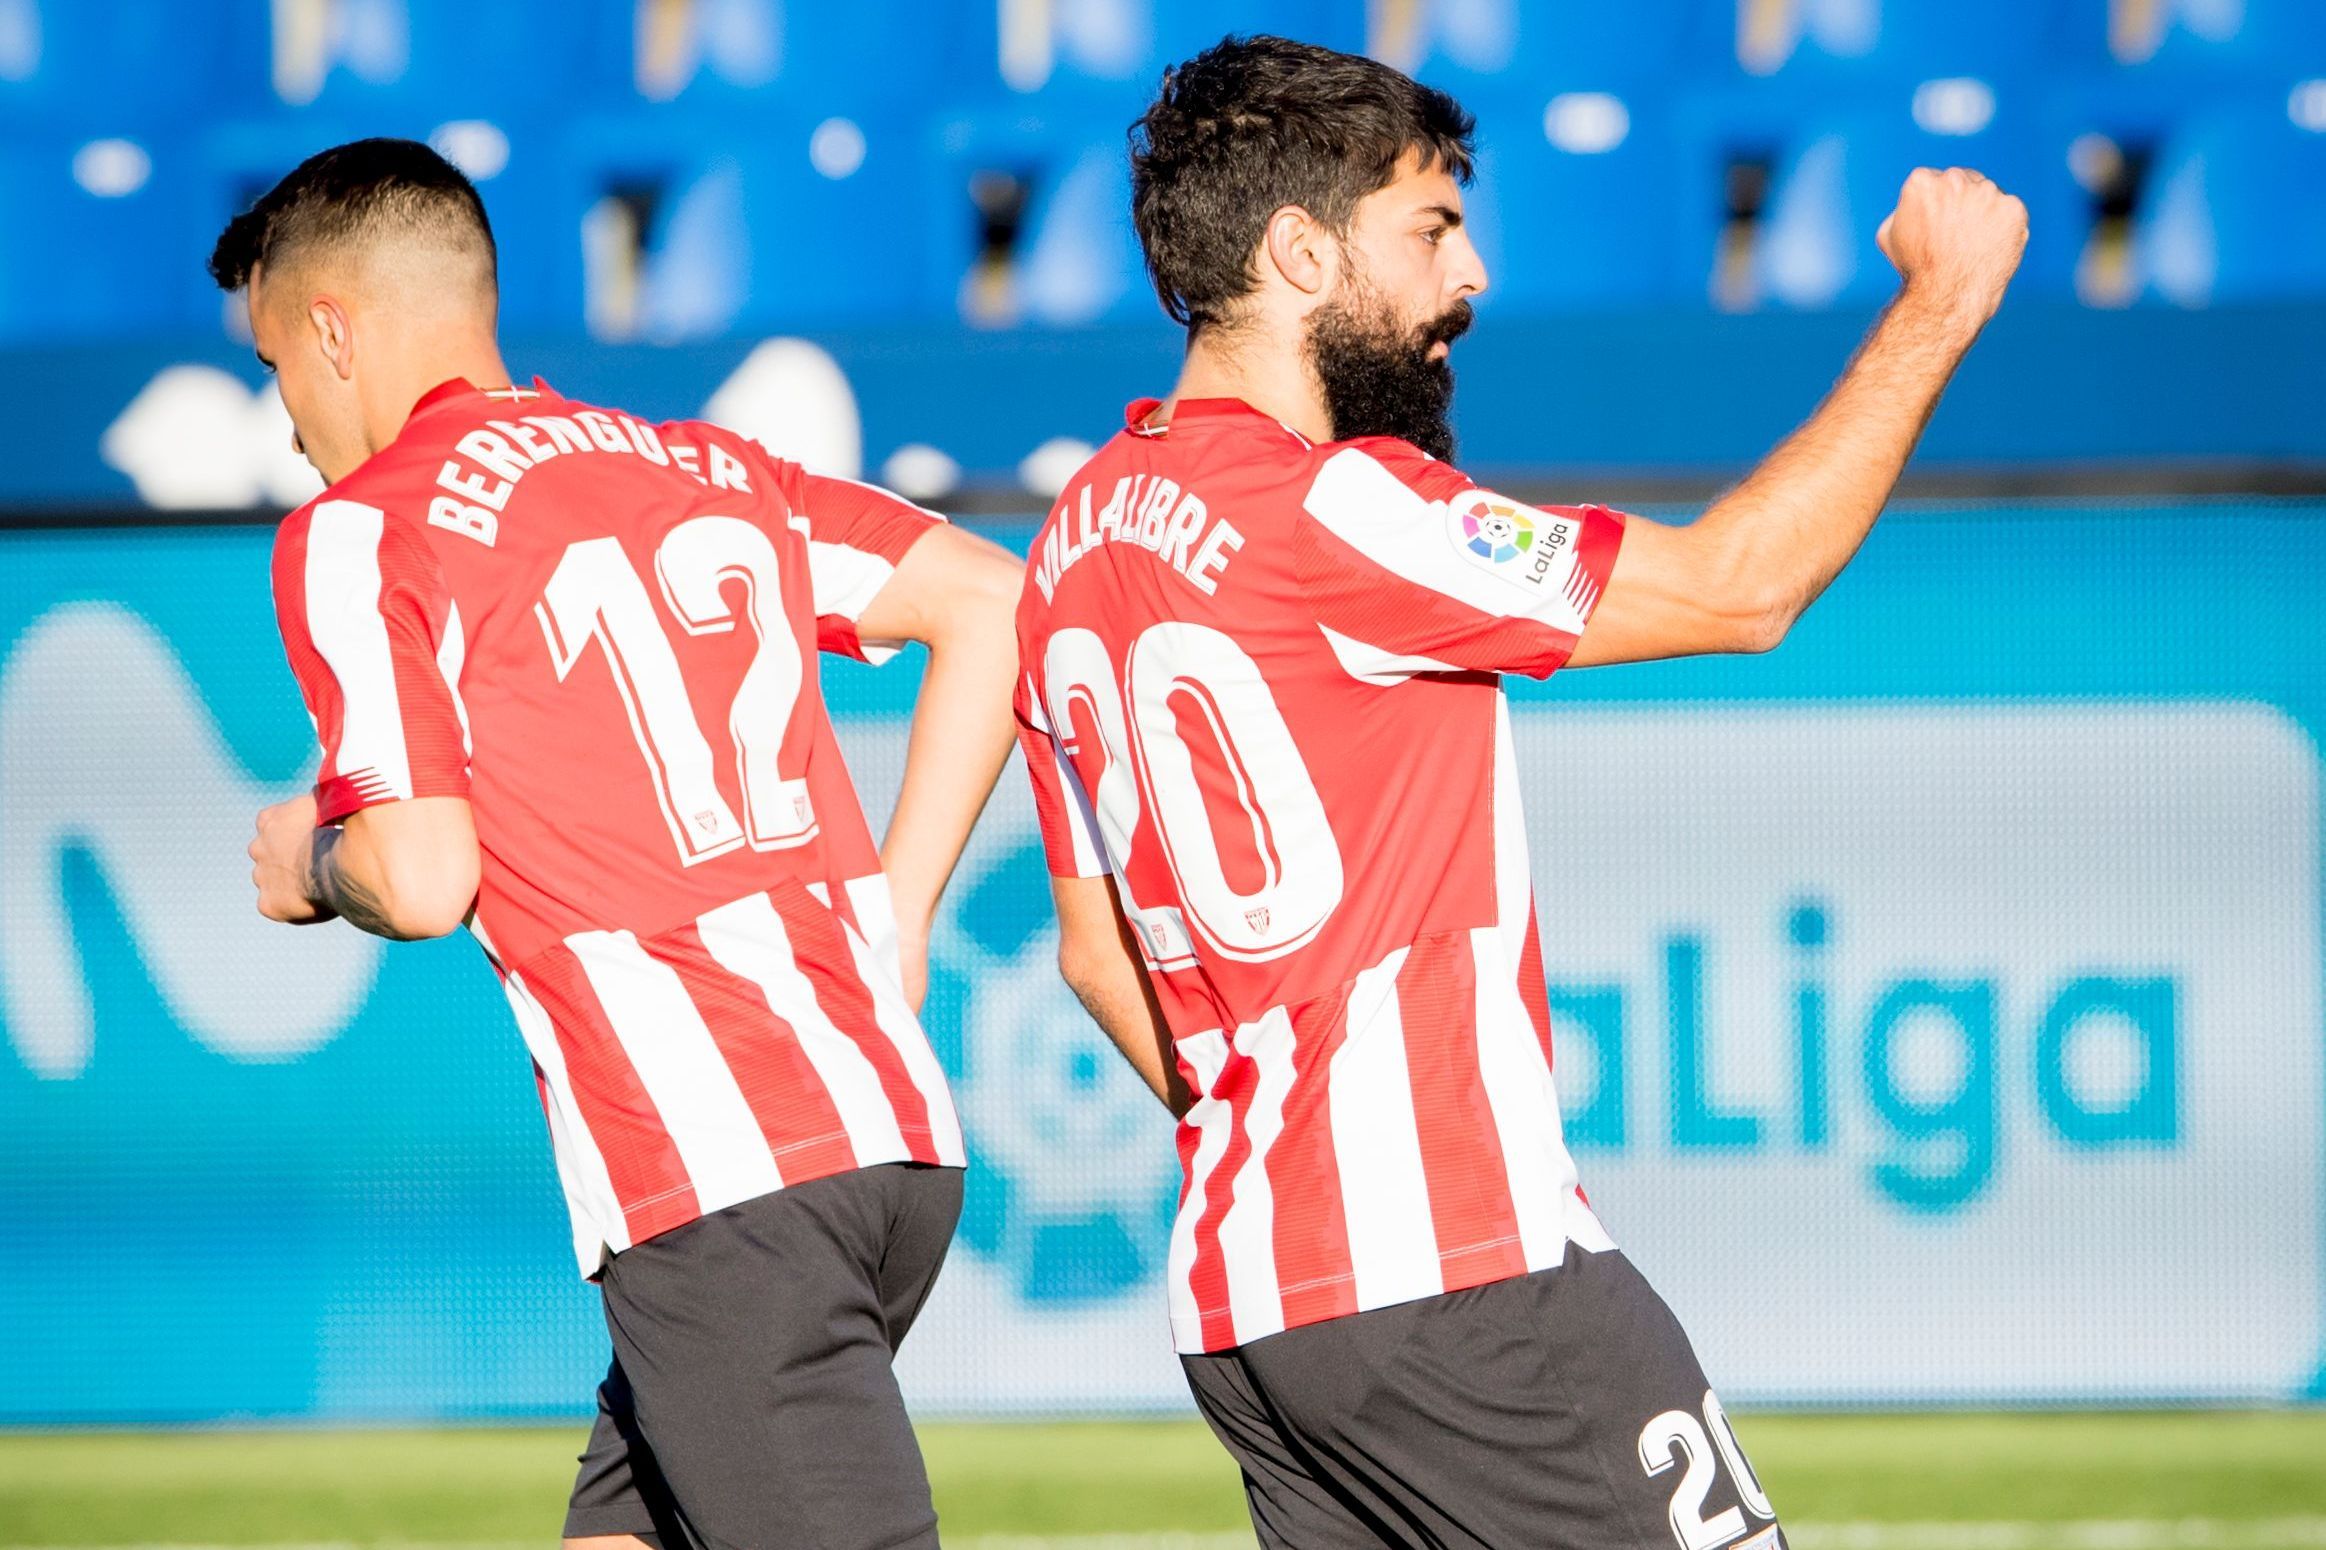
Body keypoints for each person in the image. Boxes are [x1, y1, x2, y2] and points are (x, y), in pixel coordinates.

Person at [1013, 36, 2027, 1550]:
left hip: (1249, 1305)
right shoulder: (1341, 503)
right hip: (1459, 1272)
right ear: (1300, 251)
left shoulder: (1071, 548)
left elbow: (1097, 955)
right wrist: (1941, 303)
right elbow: (1741, 587)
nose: (1467, 278)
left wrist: (1295, 1161)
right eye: (1429, 230)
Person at [216, 139, 1022, 1550]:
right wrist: (897, 918)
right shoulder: (702, 464)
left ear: (333, 330)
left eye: (278, 362)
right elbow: (994, 603)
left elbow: (419, 873)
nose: (285, 416)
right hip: (889, 1136)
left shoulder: (362, 528)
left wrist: (309, 861)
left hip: (717, 1175)